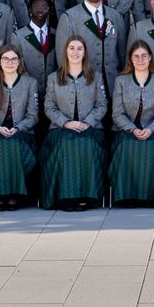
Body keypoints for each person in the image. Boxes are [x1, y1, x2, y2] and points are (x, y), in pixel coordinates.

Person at [110, 41, 154, 209]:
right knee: (127, 146)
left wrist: (150, 129)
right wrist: (132, 129)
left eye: (144, 56)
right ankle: (127, 197)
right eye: (136, 56)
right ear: (131, 60)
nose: (140, 60)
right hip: (126, 130)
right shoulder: (121, 81)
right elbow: (117, 113)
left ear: (150, 58)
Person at [42, 38, 107, 211]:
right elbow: (49, 106)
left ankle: (87, 196)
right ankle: (65, 197)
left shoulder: (96, 77)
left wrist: (87, 122)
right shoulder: (54, 78)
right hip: (60, 129)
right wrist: (66, 123)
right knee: (66, 144)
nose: (75, 52)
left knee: (85, 144)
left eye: (79, 48)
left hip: (90, 129)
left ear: (85, 52)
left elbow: (102, 105)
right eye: (71, 48)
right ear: (65, 51)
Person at [0, 45, 40, 211]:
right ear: (0, 62)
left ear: (19, 62)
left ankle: (14, 195)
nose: (10, 62)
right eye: (6, 59)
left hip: (22, 132)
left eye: (13, 59)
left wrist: (18, 128)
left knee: (13, 144)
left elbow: (33, 116)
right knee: (0, 144)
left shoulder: (30, 83)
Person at [57, 0, 127, 92]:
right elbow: (62, 57)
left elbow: (122, 53)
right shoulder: (69, 17)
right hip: (83, 86)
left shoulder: (116, 16)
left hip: (113, 85)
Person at [12, 0, 58, 86]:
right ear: (29, 10)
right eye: (36, 6)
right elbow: (17, 64)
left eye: (44, 6)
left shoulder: (56, 33)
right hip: (28, 86)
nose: (40, 9)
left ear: (49, 10)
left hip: (53, 87)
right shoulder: (18, 36)